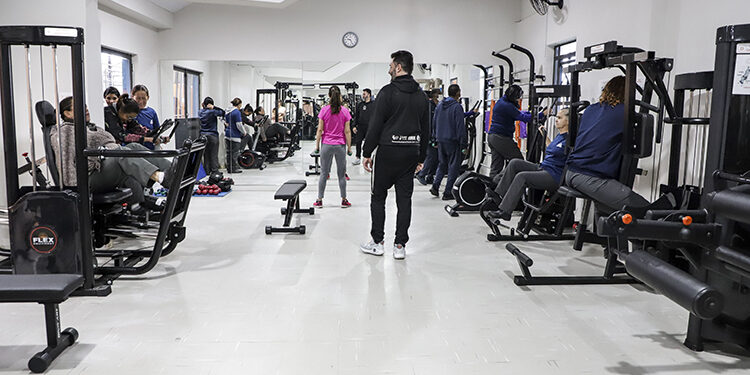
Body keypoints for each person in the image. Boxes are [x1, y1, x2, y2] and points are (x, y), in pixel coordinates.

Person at [360, 50, 429, 260]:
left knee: (378, 197)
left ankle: (378, 242)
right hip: (410, 153)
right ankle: (400, 246)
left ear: (399, 67)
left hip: (388, 152)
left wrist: (366, 152)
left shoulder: (387, 92)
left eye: (391, 65)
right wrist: (421, 157)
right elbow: (426, 129)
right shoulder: (421, 96)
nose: (389, 69)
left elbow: (375, 125)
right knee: (404, 200)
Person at [564, 76, 666, 214]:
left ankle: (605, 235)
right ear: (628, 93)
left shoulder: (591, 109)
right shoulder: (624, 113)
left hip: (571, 173)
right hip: (589, 177)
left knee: (609, 212)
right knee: (644, 209)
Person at [51, 96, 176, 205]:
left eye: (85, 106)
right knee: (121, 154)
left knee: (133, 147)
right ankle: (161, 177)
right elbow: (65, 164)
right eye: (80, 107)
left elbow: (107, 141)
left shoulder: (87, 127)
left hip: (98, 169)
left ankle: (175, 172)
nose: (86, 109)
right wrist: (74, 190)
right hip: (85, 180)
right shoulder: (65, 132)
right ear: (67, 113)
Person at [486, 108, 570, 220]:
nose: (556, 120)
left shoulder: (570, 139)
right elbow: (552, 148)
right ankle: (499, 194)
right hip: (543, 167)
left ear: (568, 121)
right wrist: (544, 135)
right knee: (514, 163)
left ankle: (505, 211)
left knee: (522, 177)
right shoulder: (559, 136)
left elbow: (562, 153)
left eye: (560, 118)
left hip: (554, 175)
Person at [487, 85, 546, 178]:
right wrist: (542, 114)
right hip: (500, 138)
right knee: (518, 161)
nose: (518, 100)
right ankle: (499, 181)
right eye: (518, 97)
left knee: (496, 166)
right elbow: (524, 118)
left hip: (493, 137)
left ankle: (492, 188)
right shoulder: (506, 105)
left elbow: (520, 113)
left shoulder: (502, 101)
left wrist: (533, 113)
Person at [429, 84, 476, 200]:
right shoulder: (457, 107)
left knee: (442, 164)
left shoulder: (440, 105)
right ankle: (447, 192)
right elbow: (460, 126)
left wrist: (434, 138)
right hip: (452, 141)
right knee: (453, 167)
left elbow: (434, 122)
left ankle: (435, 186)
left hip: (440, 140)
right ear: (458, 93)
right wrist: (464, 144)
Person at [313, 85, 353, 208]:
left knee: (324, 174)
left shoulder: (324, 110)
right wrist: (349, 147)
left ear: (329, 96)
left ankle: (319, 200)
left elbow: (320, 130)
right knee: (341, 174)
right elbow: (347, 132)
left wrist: (317, 146)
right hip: (340, 145)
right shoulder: (345, 111)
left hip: (326, 145)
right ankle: (344, 200)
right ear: (339, 96)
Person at [415, 88, 441, 185]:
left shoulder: (435, 105)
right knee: (431, 156)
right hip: (431, 135)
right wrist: (431, 137)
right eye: (437, 94)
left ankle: (430, 176)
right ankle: (421, 174)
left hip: (436, 134)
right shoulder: (430, 106)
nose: (439, 97)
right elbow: (430, 123)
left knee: (436, 157)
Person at [198, 97, 225, 174]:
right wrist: (214, 107)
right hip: (212, 135)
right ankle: (214, 171)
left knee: (206, 154)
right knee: (213, 154)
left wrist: (204, 106)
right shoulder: (213, 112)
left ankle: (207, 170)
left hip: (203, 136)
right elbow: (223, 112)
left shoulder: (200, 112)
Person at [132, 84, 160, 150]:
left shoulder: (152, 112)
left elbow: (157, 130)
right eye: (138, 98)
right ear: (132, 97)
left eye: (143, 98)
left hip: (150, 148)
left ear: (148, 97)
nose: (141, 101)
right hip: (134, 149)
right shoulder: (129, 112)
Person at [352, 88, 375, 166]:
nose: (363, 95)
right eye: (363, 94)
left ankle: (368, 157)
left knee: (369, 143)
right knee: (358, 142)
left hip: (370, 127)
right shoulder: (360, 105)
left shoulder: (374, 104)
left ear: (369, 94)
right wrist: (354, 126)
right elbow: (356, 116)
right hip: (361, 127)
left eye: (364, 94)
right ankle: (357, 157)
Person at [224, 98, 246, 173]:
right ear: (239, 104)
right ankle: (234, 168)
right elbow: (239, 124)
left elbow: (223, 120)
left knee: (229, 152)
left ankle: (229, 168)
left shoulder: (227, 111)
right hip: (235, 135)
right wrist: (244, 132)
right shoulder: (237, 112)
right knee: (234, 153)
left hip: (227, 134)